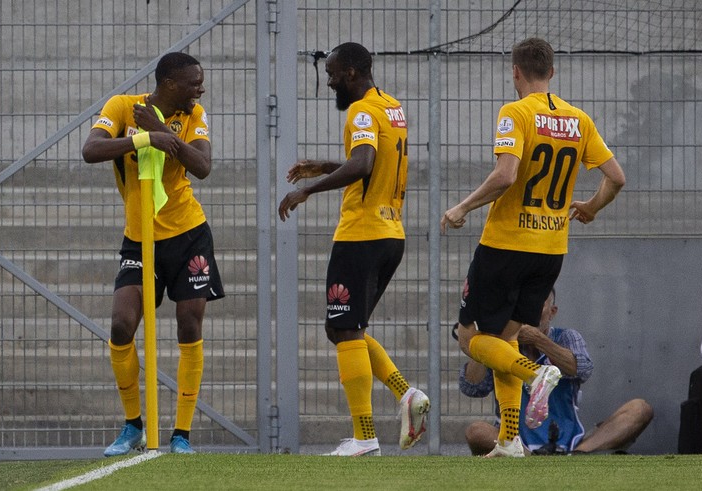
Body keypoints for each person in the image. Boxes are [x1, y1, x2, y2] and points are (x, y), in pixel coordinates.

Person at [440, 37, 626, 458]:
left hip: (506, 244)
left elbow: (506, 175)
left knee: (470, 337)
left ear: (516, 72)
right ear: (552, 73)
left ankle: (533, 375)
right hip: (550, 249)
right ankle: (509, 439)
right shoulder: (578, 120)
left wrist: (462, 206)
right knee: (505, 338)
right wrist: (591, 208)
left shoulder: (515, 112)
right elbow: (616, 177)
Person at [278, 42, 430, 456]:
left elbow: (363, 165)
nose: (328, 82)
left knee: (344, 329)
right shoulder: (391, 107)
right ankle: (406, 395)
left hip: (361, 234)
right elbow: (373, 163)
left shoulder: (362, 111)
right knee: (344, 328)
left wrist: (306, 189)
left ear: (350, 73)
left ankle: (364, 436)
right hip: (390, 233)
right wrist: (328, 166)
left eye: (331, 74)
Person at [82, 52, 225, 456]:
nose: (200, 88)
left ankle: (181, 434)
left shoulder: (194, 115)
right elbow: (91, 150)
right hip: (139, 237)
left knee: (188, 325)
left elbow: (202, 166)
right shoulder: (123, 107)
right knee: (121, 326)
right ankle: (132, 427)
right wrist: (144, 137)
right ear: (168, 82)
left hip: (188, 235)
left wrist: (166, 134)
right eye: (193, 82)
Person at [457, 288, 654, 455]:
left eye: (537, 305)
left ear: (552, 312)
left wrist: (538, 340)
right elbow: (472, 388)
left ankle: (579, 455)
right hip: (516, 441)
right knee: (476, 431)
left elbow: (582, 369)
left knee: (640, 408)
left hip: (572, 441)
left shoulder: (566, 337)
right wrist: (485, 340)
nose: (528, 311)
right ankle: (527, 457)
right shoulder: (500, 345)